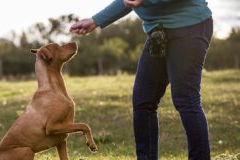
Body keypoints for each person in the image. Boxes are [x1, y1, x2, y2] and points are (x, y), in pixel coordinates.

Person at [70, 0, 213, 159]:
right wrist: (96, 20)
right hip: (159, 32)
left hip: (189, 26)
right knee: (143, 101)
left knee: (186, 98)